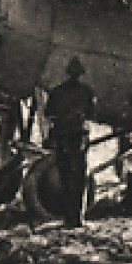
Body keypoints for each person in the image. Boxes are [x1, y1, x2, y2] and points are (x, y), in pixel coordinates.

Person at [43, 56, 97, 227]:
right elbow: (91, 114)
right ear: (80, 74)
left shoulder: (57, 91)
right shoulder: (87, 92)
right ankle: (78, 218)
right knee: (79, 178)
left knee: (65, 177)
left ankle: (67, 217)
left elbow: (48, 112)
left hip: (61, 136)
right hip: (78, 138)